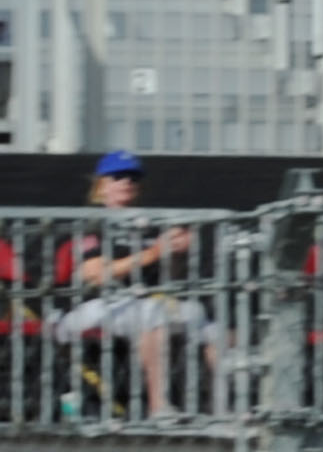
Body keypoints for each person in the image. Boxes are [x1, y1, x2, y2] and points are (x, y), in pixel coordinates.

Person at [49, 150, 216, 418]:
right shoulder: (91, 223)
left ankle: (224, 408)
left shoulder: (149, 225)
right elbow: (95, 274)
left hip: (142, 303)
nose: (127, 182)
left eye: (133, 178)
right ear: (102, 184)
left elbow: (170, 274)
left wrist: (179, 251)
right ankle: (159, 407)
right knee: (150, 313)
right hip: (92, 307)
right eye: (118, 176)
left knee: (203, 319)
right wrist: (153, 253)